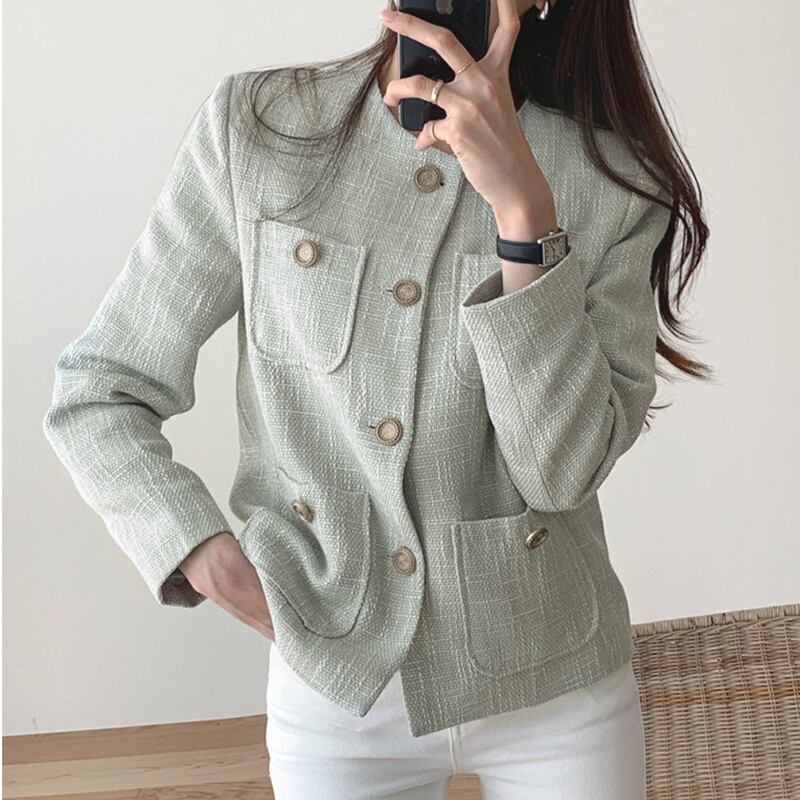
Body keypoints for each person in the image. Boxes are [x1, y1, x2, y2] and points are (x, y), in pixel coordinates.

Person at [43, 0, 710, 797]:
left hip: (557, 686)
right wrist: (198, 553)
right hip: (336, 689)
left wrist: (524, 215)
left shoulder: (616, 183)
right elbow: (101, 388)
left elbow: (559, 473)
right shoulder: (260, 127)